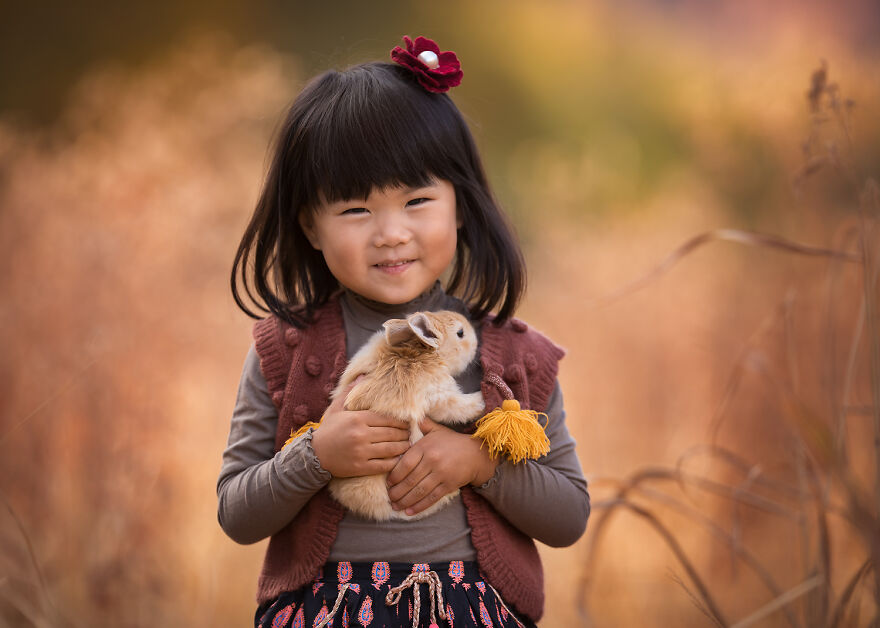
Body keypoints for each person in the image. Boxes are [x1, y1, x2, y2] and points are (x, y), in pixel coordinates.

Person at [218, 35, 589, 628]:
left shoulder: (514, 354)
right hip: (327, 611)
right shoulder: (285, 352)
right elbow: (237, 514)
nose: (390, 233)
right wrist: (317, 455)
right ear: (311, 226)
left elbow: (569, 516)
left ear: (460, 206)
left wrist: (479, 463)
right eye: (356, 210)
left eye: (417, 200)